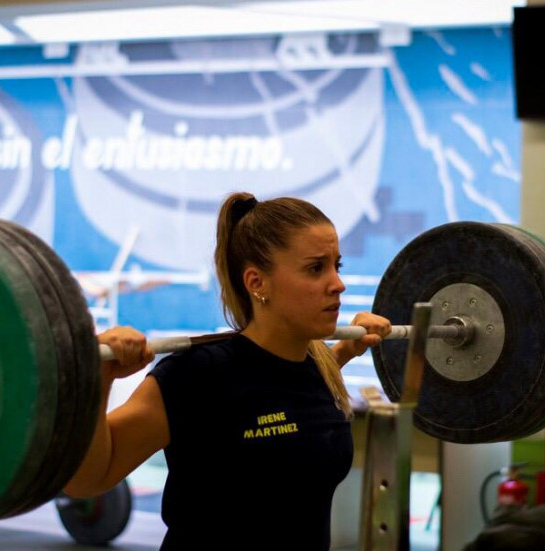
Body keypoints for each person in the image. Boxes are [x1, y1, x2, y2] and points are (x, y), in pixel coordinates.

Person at [65, 192, 392, 550]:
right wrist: (101, 376)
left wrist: (347, 348)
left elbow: (281, 389)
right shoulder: (197, 375)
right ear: (256, 283)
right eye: (316, 268)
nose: (337, 283)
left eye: (336, 266)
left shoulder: (317, 369)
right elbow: (87, 481)